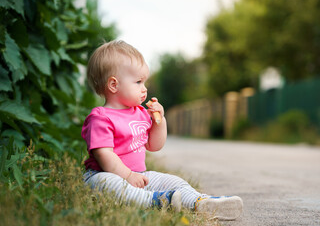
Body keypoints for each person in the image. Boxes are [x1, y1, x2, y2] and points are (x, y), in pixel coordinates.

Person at [82, 40, 243, 220]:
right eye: (138, 82)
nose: (145, 89)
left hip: (139, 175)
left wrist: (160, 122)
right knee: (110, 184)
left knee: (173, 181)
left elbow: (154, 145)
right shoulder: (101, 117)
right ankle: (156, 201)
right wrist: (127, 175)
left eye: (145, 82)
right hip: (105, 174)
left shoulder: (141, 113)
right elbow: (104, 155)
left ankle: (200, 201)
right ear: (114, 85)